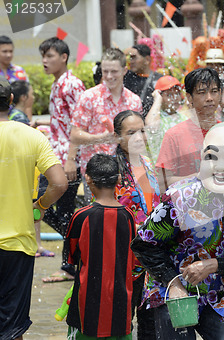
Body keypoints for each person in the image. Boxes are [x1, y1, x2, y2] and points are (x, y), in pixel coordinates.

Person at [130, 122, 224, 340]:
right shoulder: (182, 197)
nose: (220, 166)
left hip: (221, 292)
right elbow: (144, 243)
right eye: (212, 157)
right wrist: (174, 283)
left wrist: (216, 266)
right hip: (173, 290)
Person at [0, 76, 67, 340]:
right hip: (19, 244)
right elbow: (59, 183)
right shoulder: (31, 135)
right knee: (13, 327)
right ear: (12, 101)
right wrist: (38, 206)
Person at [65, 154, 136, 339]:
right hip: (120, 309)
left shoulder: (81, 216)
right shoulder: (128, 217)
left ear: (87, 178)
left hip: (85, 309)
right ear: (119, 179)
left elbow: (72, 257)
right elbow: (134, 259)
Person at [35, 37, 87, 282]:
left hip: (68, 158)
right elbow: (63, 121)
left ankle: (70, 262)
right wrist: (42, 123)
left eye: (50, 56)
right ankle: (75, 254)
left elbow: (80, 122)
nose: (45, 61)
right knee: (54, 208)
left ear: (64, 57)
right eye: (43, 56)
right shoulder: (57, 85)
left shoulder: (72, 84)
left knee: (50, 205)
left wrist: (71, 159)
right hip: (54, 154)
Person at [70, 48, 142, 202]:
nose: (109, 76)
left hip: (127, 170)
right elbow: (75, 134)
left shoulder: (134, 100)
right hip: (97, 171)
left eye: (114, 71)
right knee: (97, 218)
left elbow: (139, 136)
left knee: (129, 215)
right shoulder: (89, 97)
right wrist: (100, 138)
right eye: (105, 71)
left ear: (124, 70)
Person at [113, 110, 161, 339]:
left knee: (150, 325)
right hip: (123, 260)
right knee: (122, 323)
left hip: (151, 259)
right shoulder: (111, 171)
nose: (139, 137)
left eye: (141, 130)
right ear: (117, 137)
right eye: (131, 133)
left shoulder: (149, 163)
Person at [155, 68, 220, 192]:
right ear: (189, 98)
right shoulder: (174, 135)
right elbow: (162, 182)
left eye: (214, 91)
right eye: (202, 92)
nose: (209, 98)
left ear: (220, 93)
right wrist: (196, 178)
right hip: (188, 208)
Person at [144, 75, 187, 164]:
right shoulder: (158, 117)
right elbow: (151, 126)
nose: (175, 98)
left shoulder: (184, 118)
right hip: (160, 170)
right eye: (169, 95)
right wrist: (157, 100)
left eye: (177, 93)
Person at [123, 44, 163, 115]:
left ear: (147, 60)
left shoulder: (159, 79)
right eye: (130, 58)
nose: (131, 61)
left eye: (134, 57)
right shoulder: (125, 76)